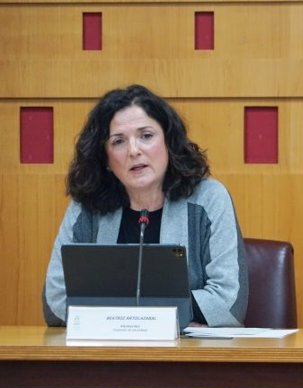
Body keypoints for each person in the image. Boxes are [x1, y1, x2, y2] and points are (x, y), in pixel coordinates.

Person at [43, 84, 248, 327]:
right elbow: (55, 300)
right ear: (106, 159)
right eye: (118, 141)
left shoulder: (209, 199)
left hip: (187, 358)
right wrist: (166, 314)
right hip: (106, 357)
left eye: (146, 136)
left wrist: (119, 313)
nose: (134, 150)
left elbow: (229, 302)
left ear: (169, 143)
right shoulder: (88, 205)